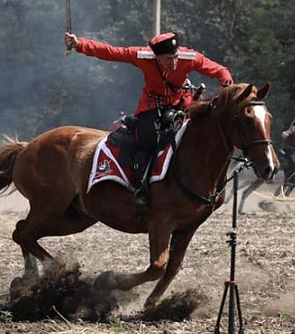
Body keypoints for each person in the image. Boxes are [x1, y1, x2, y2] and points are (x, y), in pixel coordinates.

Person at [64, 31, 233, 207]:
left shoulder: (189, 57)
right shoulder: (142, 56)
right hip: (152, 108)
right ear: (156, 57)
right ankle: (143, 188)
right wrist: (79, 44)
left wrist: (227, 89)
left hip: (183, 107)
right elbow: (111, 52)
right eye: (168, 58)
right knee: (146, 140)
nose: (174, 62)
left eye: (175, 57)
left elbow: (221, 71)